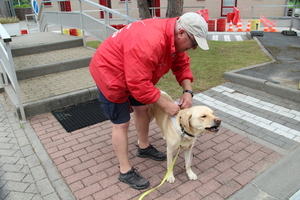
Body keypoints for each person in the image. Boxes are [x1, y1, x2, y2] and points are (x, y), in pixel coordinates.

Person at [89, 12, 209, 190]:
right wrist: (165, 104)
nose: (193, 48)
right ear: (182, 32)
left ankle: (143, 147)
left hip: (136, 74)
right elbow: (138, 83)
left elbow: (181, 64)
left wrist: (188, 91)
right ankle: (125, 170)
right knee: (121, 123)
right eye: (194, 43)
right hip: (111, 73)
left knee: (143, 108)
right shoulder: (149, 42)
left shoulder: (172, 38)